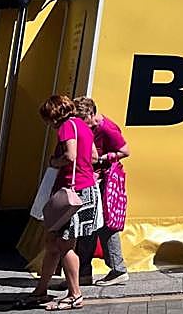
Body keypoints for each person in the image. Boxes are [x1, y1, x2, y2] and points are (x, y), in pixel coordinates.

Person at [28, 95, 100, 310]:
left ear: (53, 116)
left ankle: (75, 295)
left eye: (47, 120)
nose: (48, 125)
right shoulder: (83, 125)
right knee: (51, 243)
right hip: (85, 189)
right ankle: (41, 290)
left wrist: (53, 162)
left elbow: (70, 156)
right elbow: (95, 157)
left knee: (64, 245)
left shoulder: (66, 127)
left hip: (71, 191)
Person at [73, 97, 130, 286]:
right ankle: (83, 272)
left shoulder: (107, 128)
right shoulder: (89, 127)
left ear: (91, 114)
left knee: (106, 226)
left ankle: (118, 269)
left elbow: (125, 150)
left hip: (105, 181)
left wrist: (102, 159)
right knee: (86, 225)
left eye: (82, 119)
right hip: (92, 179)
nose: (81, 124)